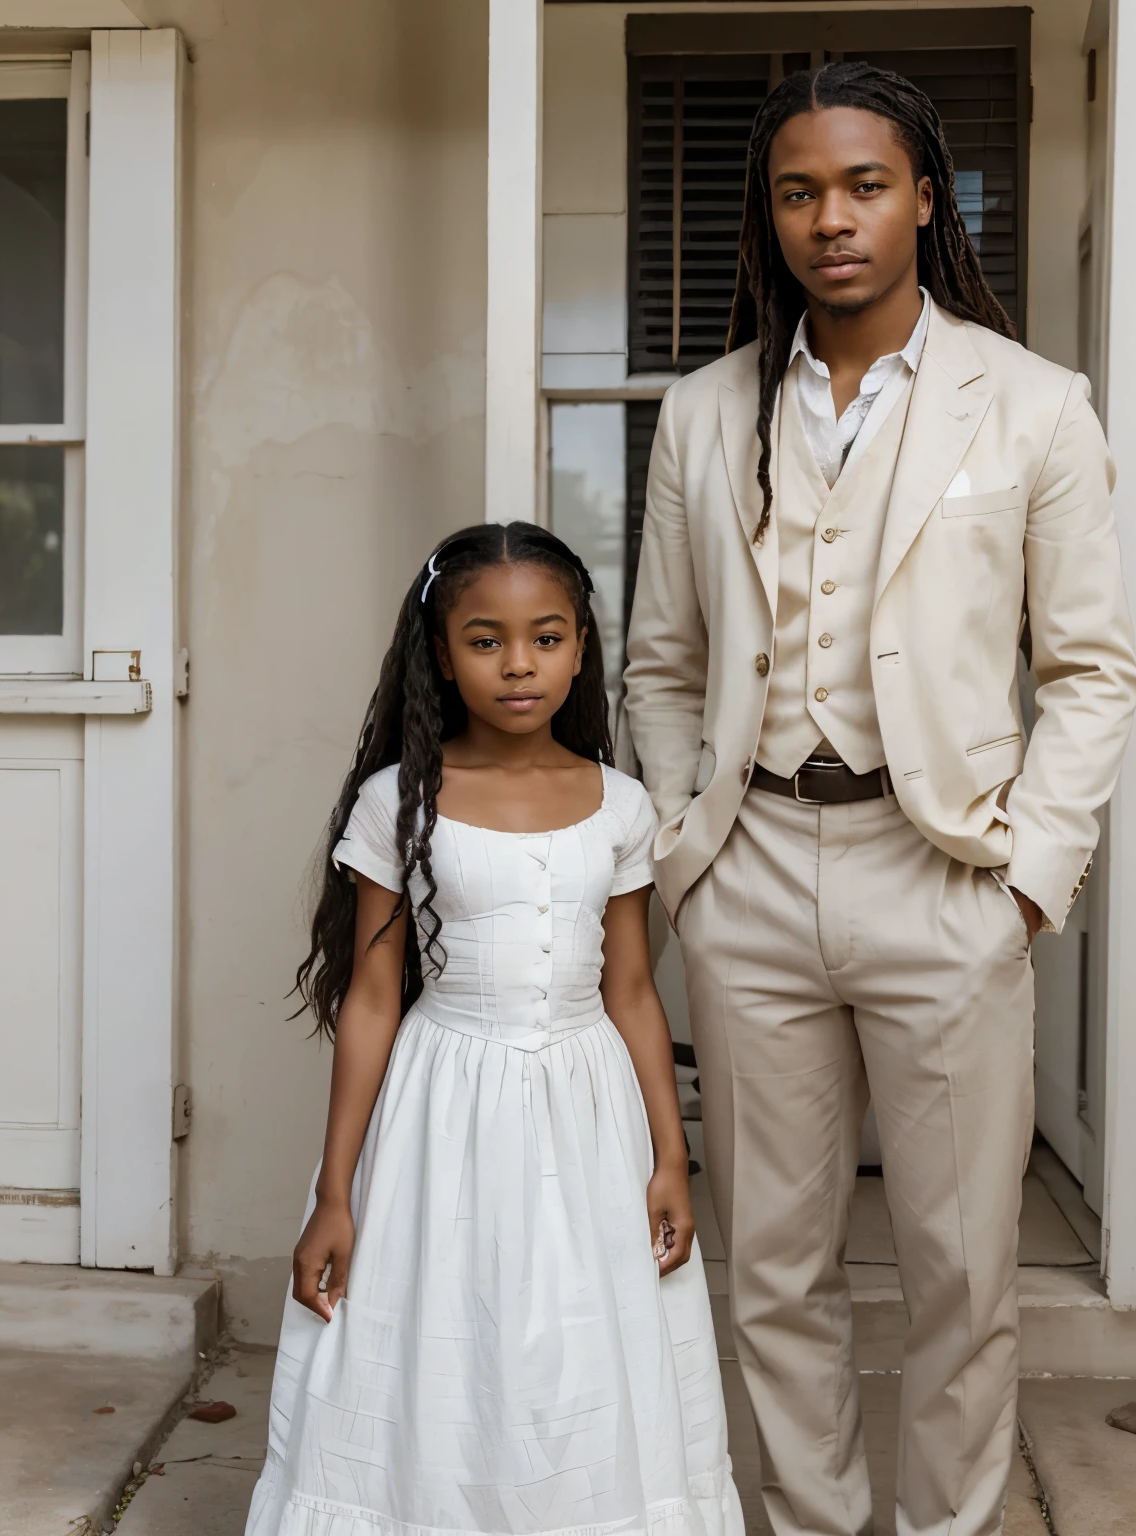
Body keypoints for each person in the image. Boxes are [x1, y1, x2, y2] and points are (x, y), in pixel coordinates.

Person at [624, 62, 1136, 1536]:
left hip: (948, 877)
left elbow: (1095, 671)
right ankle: (807, 1523)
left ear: (926, 197)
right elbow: (662, 661)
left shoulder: (1034, 407)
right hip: (754, 864)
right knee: (770, 1264)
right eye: (799, 192)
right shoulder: (708, 413)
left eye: (863, 186)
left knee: (962, 1270)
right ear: (770, 214)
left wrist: (1030, 879)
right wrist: (686, 856)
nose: (830, 219)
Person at [245, 523, 742, 1536]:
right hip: (443, 1104)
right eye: (486, 639)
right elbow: (376, 1001)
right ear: (440, 653)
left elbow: (635, 992)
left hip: (588, 1105)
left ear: (581, 647)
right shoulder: (399, 804)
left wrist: (671, 1157)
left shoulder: (624, 806)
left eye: (546, 637)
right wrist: (336, 1191)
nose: (519, 663)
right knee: (445, 1339)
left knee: (582, 1345)